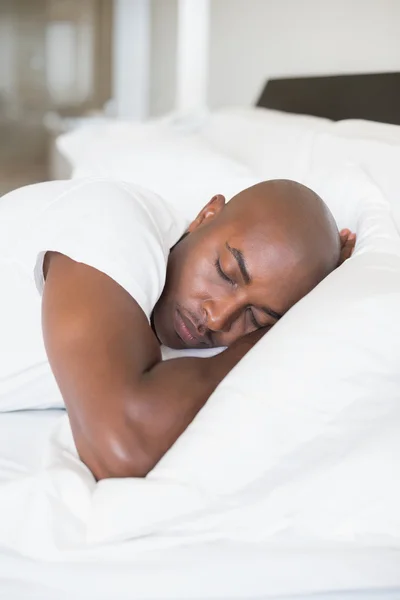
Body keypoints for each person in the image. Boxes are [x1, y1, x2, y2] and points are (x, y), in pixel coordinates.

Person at [0, 178, 355, 481]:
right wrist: (268, 337)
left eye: (257, 317)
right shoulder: (114, 226)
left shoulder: (203, 329)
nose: (218, 319)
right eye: (226, 273)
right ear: (206, 216)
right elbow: (121, 449)